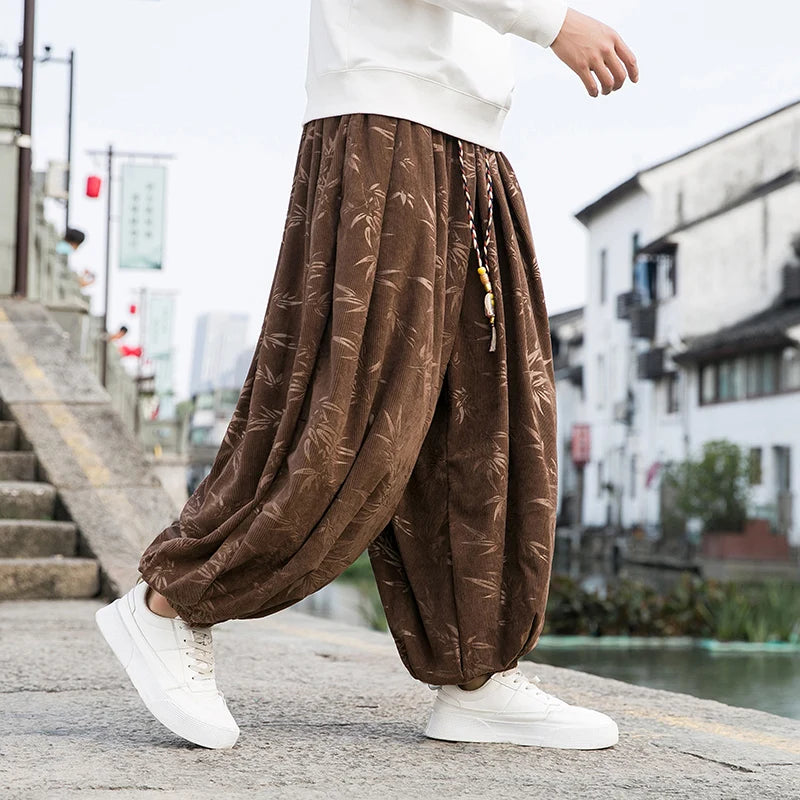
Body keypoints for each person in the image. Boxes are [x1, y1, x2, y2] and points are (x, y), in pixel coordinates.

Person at [96, 0, 638, 751]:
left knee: (483, 417)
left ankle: (475, 674)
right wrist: (550, 22)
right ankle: (172, 603)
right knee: (351, 418)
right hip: (387, 121)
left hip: (472, 137)